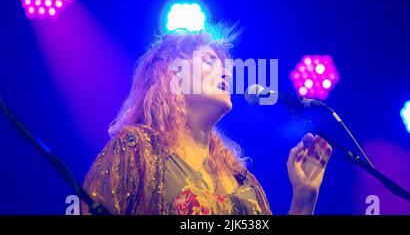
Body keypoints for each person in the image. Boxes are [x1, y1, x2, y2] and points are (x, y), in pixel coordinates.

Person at [82, 25, 332, 215]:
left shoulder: (242, 179)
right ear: (174, 76)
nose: (225, 72)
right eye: (208, 60)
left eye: (224, 65)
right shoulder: (137, 149)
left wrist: (303, 198)